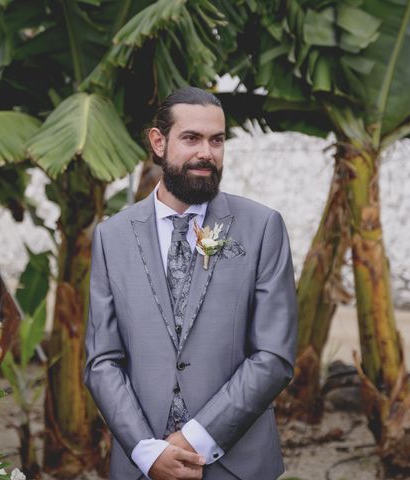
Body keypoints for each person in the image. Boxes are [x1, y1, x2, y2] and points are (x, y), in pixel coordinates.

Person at [84, 87, 297, 479]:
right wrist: (147, 452)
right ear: (158, 141)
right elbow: (102, 361)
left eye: (217, 140)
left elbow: (274, 356)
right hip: (142, 465)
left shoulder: (262, 227)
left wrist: (194, 440)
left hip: (236, 464)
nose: (207, 153)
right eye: (191, 138)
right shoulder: (111, 237)